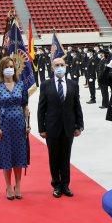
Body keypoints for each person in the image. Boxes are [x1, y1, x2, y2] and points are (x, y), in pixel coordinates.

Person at [37, 56, 83, 198]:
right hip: (51, 128)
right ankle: (56, 184)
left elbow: (77, 106)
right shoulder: (46, 85)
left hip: (69, 127)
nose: (59, 67)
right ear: (52, 68)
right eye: (56, 65)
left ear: (66, 66)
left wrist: (79, 125)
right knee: (54, 157)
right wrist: (42, 128)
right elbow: (41, 108)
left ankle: (66, 185)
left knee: (66, 157)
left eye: (62, 64)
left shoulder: (73, 84)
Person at [0, 56, 30, 200]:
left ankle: (18, 185)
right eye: (6, 67)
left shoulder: (21, 85)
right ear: (1, 69)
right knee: (7, 157)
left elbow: (25, 105)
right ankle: (8, 185)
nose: (9, 69)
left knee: (18, 156)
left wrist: (27, 124)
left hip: (19, 126)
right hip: (4, 126)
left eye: (12, 67)